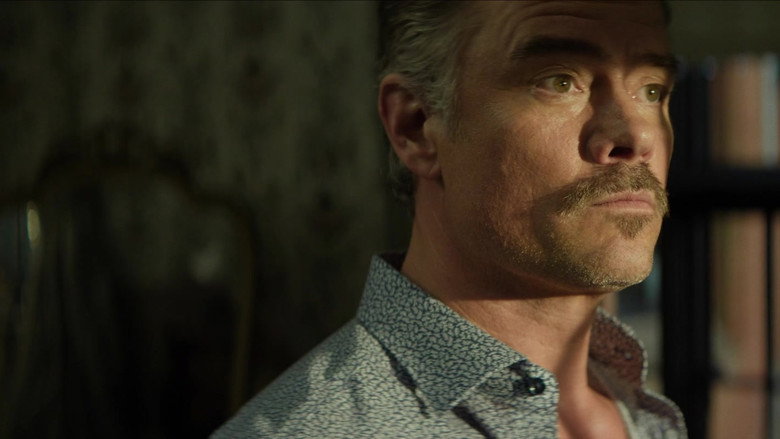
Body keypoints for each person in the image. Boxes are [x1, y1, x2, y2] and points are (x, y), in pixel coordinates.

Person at [213, 1, 686, 437]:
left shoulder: (640, 412)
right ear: (415, 127)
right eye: (559, 81)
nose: (636, 137)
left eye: (652, 91)